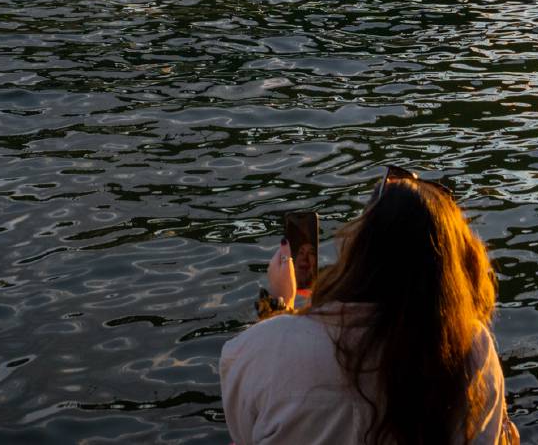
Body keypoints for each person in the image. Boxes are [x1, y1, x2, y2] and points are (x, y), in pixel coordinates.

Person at [222, 174, 518, 445]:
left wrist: (277, 308)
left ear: (358, 254)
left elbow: (245, 430)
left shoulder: (257, 349)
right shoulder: (474, 350)